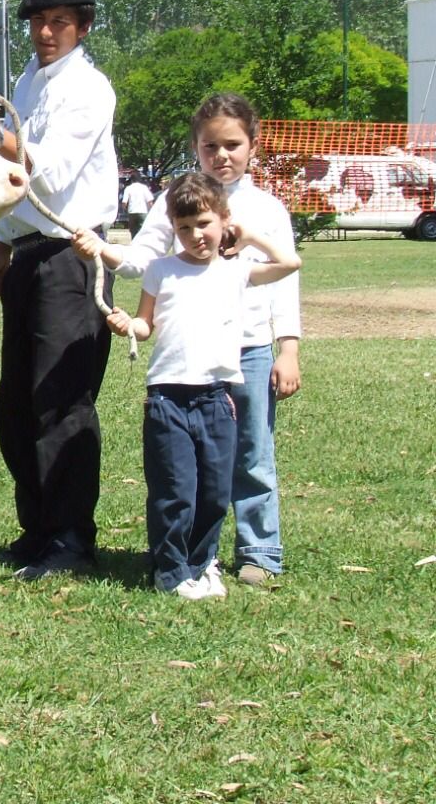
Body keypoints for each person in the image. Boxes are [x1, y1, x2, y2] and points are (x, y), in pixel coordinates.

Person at [73, 174, 300, 598]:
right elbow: (146, 324)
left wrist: (249, 236)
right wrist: (129, 325)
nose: (196, 235)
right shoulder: (161, 270)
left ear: (224, 220)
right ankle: (172, 570)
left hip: (217, 398)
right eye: (184, 228)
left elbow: (290, 264)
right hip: (167, 399)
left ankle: (201, 563)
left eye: (205, 224)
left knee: (214, 492)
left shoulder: (237, 271)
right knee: (175, 490)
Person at [0, 0, 119, 579]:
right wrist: (2, 248)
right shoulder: (27, 81)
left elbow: (50, 174)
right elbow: (16, 187)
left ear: (83, 27)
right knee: (17, 403)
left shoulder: (89, 88)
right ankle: (38, 530)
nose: (45, 33)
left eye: (59, 23)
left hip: (71, 255)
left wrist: (0, 137)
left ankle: (71, 539)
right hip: (30, 252)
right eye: (37, 22)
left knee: (61, 400)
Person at [112, 93, 302, 586]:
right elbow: (144, 255)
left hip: (250, 348)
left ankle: (260, 550)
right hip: (190, 361)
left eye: (232, 145)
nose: (221, 155)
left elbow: (285, 280)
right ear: (195, 147)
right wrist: (107, 253)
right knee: (196, 465)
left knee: (252, 453)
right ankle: (199, 554)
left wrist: (288, 348)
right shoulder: (175, 199)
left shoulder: (267, 208)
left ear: (253, 145)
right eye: (209, 146)